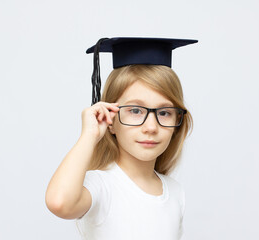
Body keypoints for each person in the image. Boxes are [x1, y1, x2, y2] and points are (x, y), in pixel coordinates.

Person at [45, 37, 198, 240]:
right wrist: (89, 135)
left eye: (164, 113)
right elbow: (60, 202)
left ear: (177, 120)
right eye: (135, 110)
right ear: (110, 118)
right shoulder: (101, 185)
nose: (151, 127)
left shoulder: (175, 193)